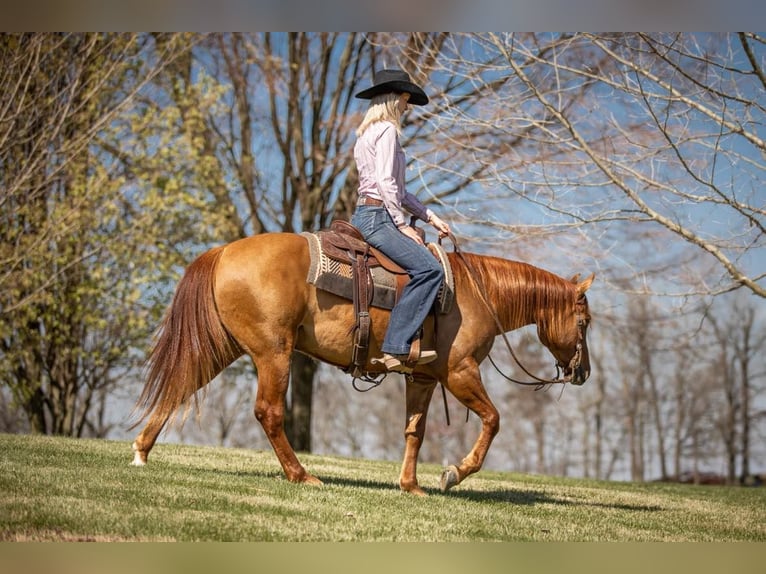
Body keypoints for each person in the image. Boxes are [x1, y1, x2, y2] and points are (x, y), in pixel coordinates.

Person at [351, 69, 452, 373]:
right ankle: (396, 345)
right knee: (430, 269)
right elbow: (385, 181)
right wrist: (401, 223)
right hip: (379, 216)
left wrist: (429, 216)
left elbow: (398, 188)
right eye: (406, 101)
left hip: (364, 212)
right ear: (396, 98)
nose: (407, 108)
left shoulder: (365, 135)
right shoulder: (387, 132)